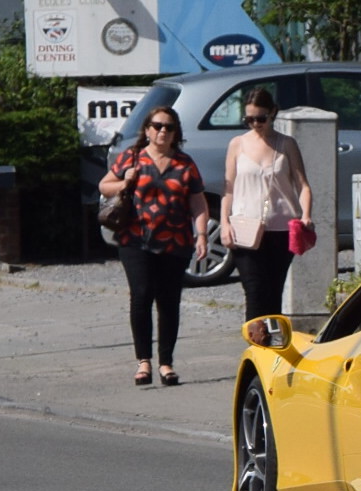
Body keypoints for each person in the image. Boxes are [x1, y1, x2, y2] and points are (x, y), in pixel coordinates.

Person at [99, 107, 209, 387]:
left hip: (176, 241)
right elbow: (104, 186)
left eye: (169, 127)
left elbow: (198, 202)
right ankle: (143, 361)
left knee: (169, 302)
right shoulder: (132, 157)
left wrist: (202, 235)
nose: (163, 131)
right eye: (157, 126)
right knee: (141, 295)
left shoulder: (185, 164)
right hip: (135, 239)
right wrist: (126, 181)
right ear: (147, 129)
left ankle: (166, 363)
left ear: (176, 133)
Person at [220, 87, 314, 321]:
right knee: (254, 291)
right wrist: (224, 223)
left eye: (260, 118)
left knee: (273, 293)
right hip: (245, 229)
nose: (255, 124)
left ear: (273, 113)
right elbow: (228, 190)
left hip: (281, 229)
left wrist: (306, 215)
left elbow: (303, 185)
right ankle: (255, 348)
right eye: (249, 119)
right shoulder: (237, 144)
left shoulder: (286, 144)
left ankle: (272, 349)